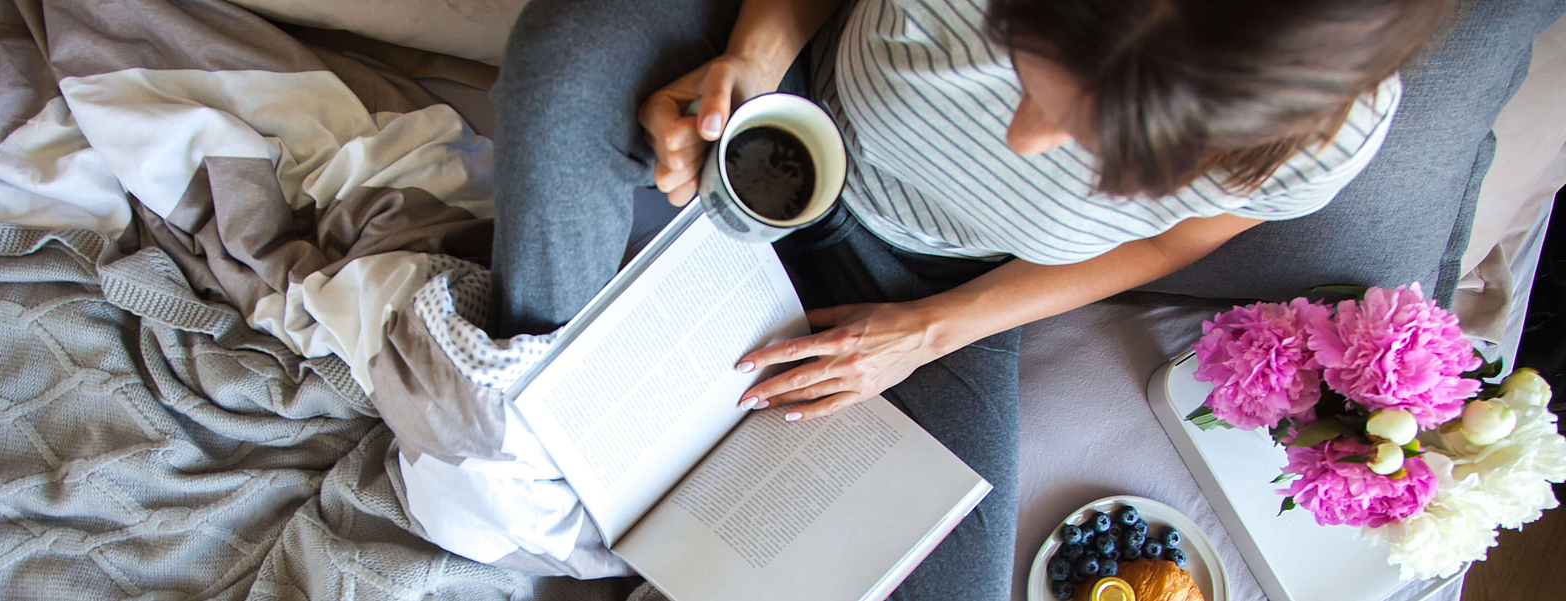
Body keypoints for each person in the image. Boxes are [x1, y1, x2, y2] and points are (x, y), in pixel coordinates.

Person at [487, 0, 1454, 596]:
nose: (1024, 140)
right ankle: (519, 406)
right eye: (1023, 73)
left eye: (1087, 147)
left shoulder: (1319, 134)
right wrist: (755, 57)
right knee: (569, 70)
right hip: (802, 102)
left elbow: (1172, 239)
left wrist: (928, 332)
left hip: (944, 286)